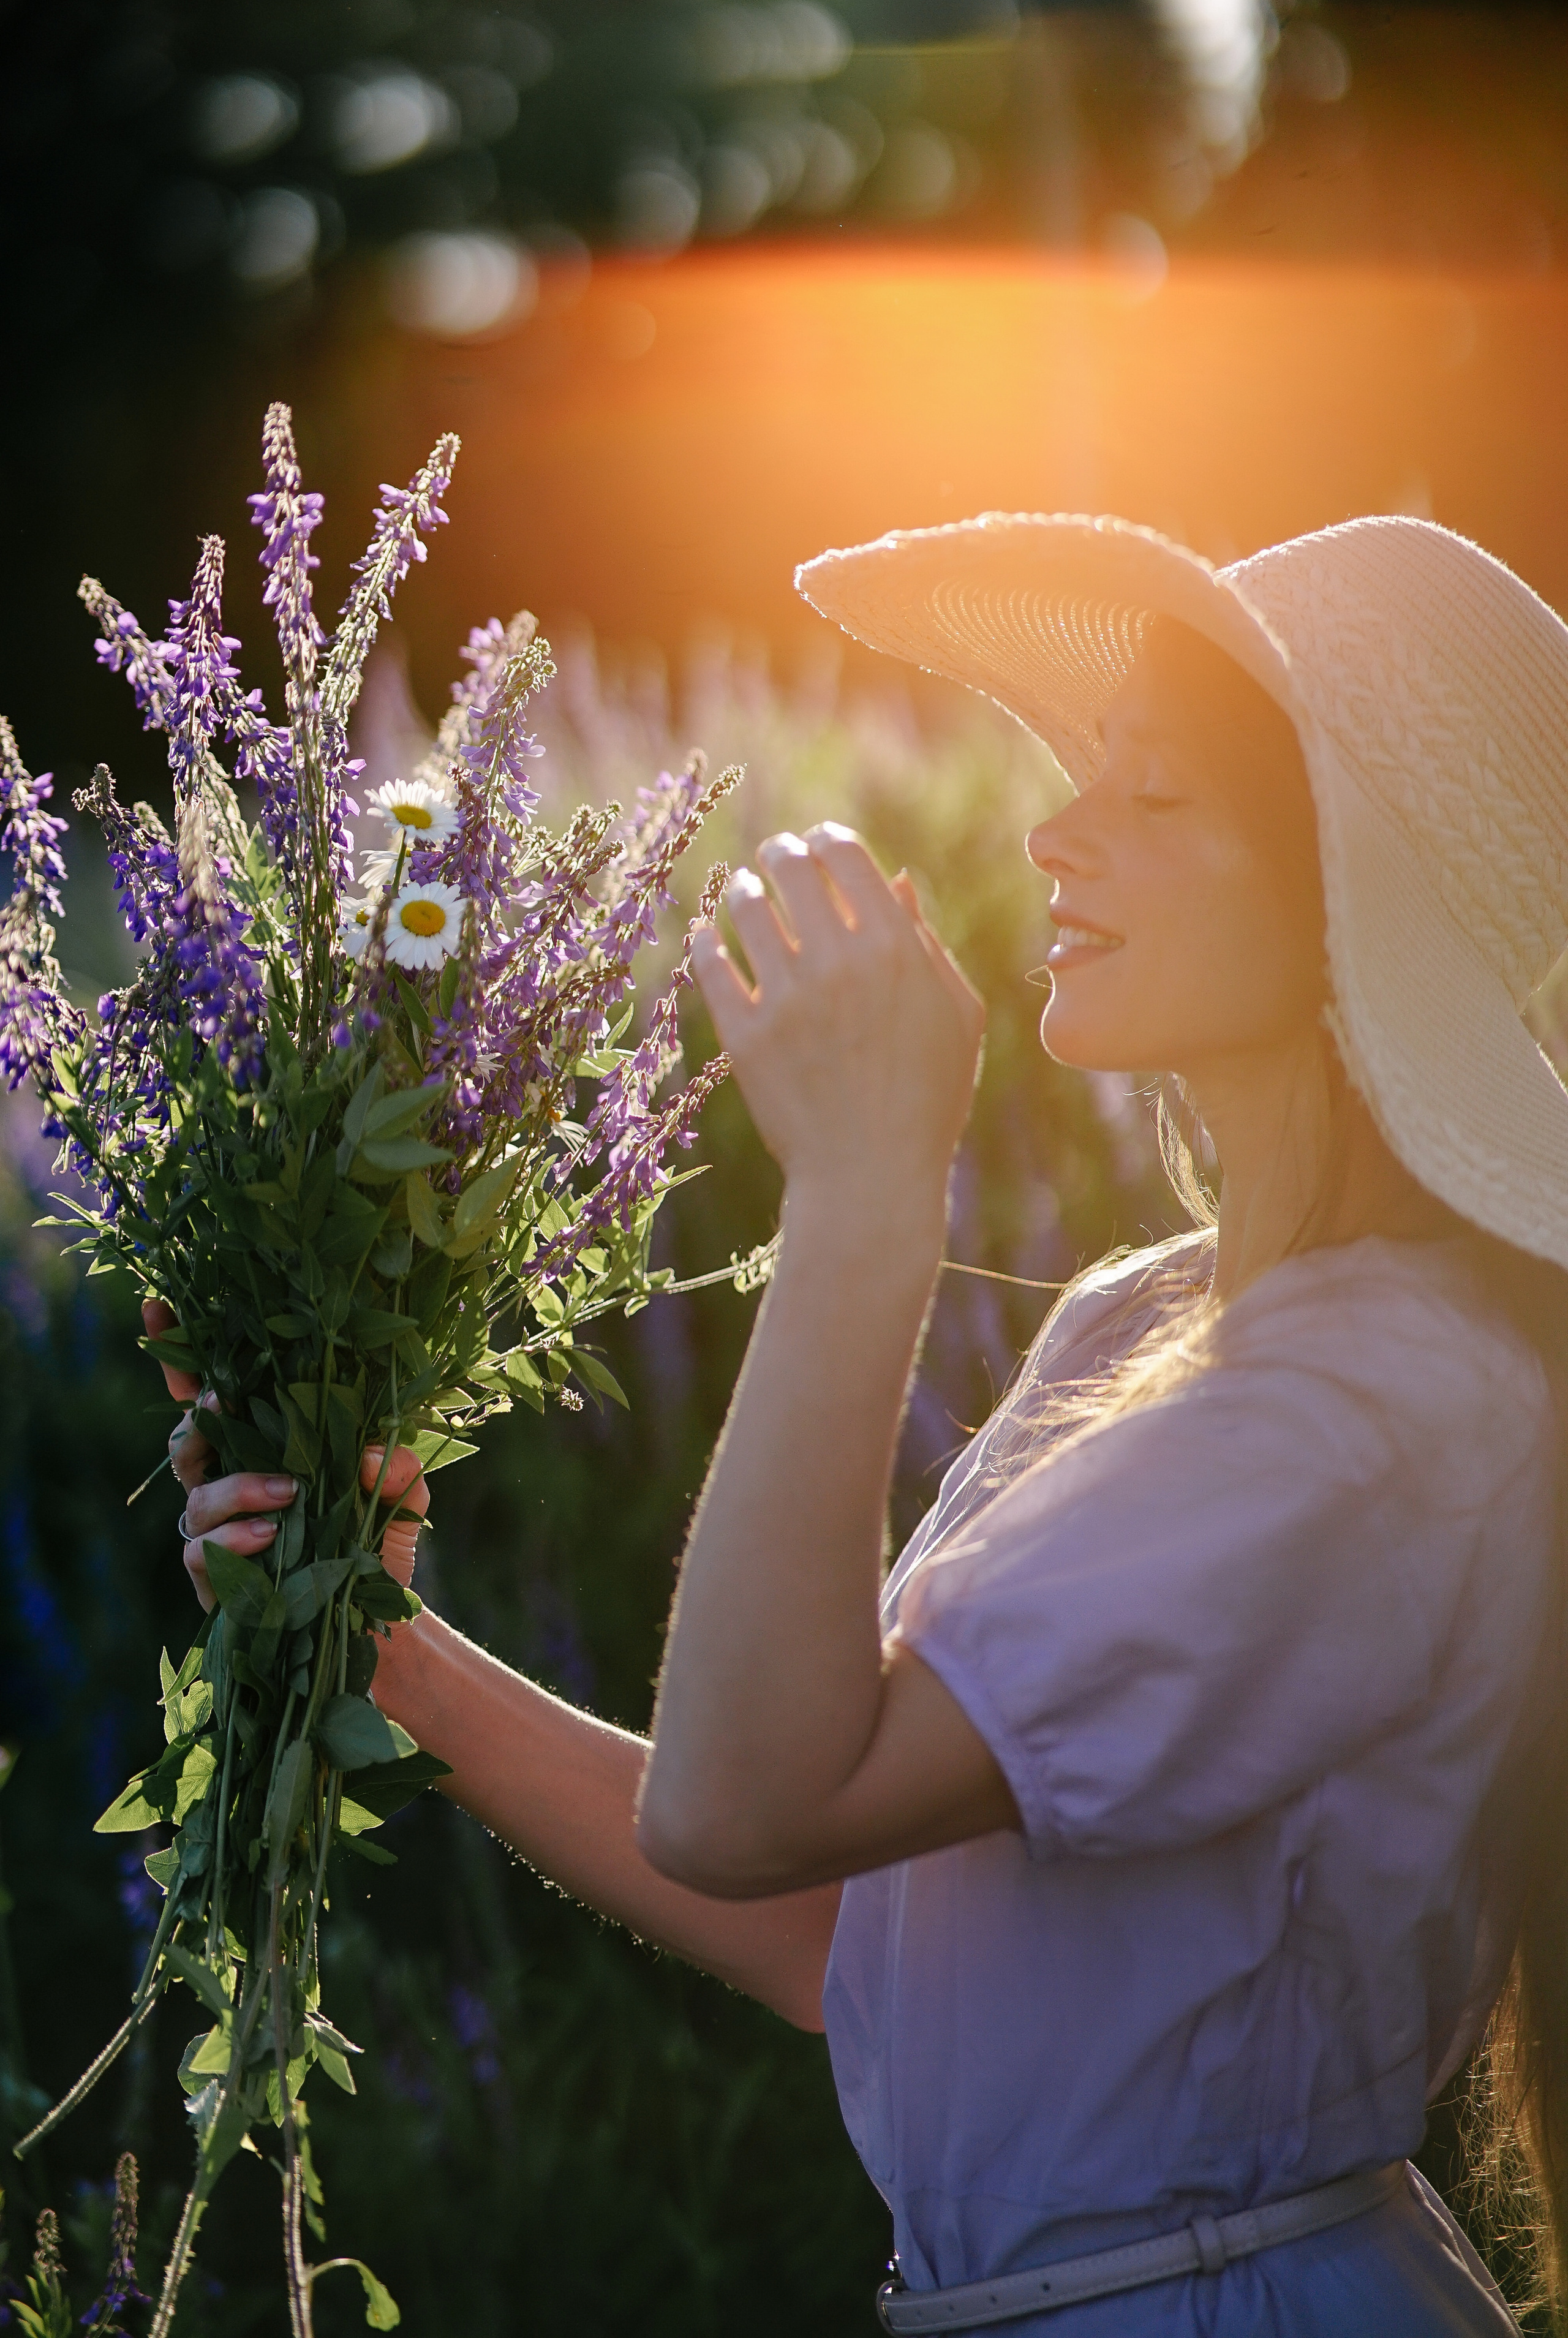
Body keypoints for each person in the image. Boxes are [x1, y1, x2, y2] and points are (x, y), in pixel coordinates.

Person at [150, 511, 1568, 2335]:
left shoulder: (1373, 1417)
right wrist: (387, 1650)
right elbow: (830, 1925)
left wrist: (868, 1194)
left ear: (1351, 920)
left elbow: (746, 1803)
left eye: (1156, 793)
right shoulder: (1150, 1321)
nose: (1055, 833)